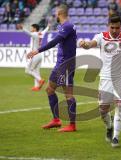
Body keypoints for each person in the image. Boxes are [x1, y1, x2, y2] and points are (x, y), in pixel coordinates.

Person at [79, 14, 121, 147]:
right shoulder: (101, 36)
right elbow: (90, 44)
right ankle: (109, 127)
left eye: (117, 28)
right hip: (105, 77)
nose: (115, 30)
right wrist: (85, 44)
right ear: (108, 26)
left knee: (119, 105)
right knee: (103, 110)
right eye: (112, 27)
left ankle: (115, 137)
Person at [27, 4, 77, 132]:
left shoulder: (67, 26)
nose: (55, 15)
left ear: (60, 13)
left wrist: (38, 50)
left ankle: (72, 125)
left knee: (68, 95)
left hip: (66, 64)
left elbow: (55, 41)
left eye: (56, 13)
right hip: (59, 64)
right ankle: (56, 120)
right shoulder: (63, 26)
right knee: (50, 89)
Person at [19, 23, 49, 91]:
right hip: (39, 55)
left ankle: (40, 80)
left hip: (34, 54)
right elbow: (45, 31)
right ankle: (36, 87)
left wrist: (23, 28)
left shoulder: (35, 34)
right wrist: (48, 27)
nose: (31, 29)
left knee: (27, 70)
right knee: (36, 71)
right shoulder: (40, 33)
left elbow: (29, 34)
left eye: (32, 28)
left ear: (35, 29)